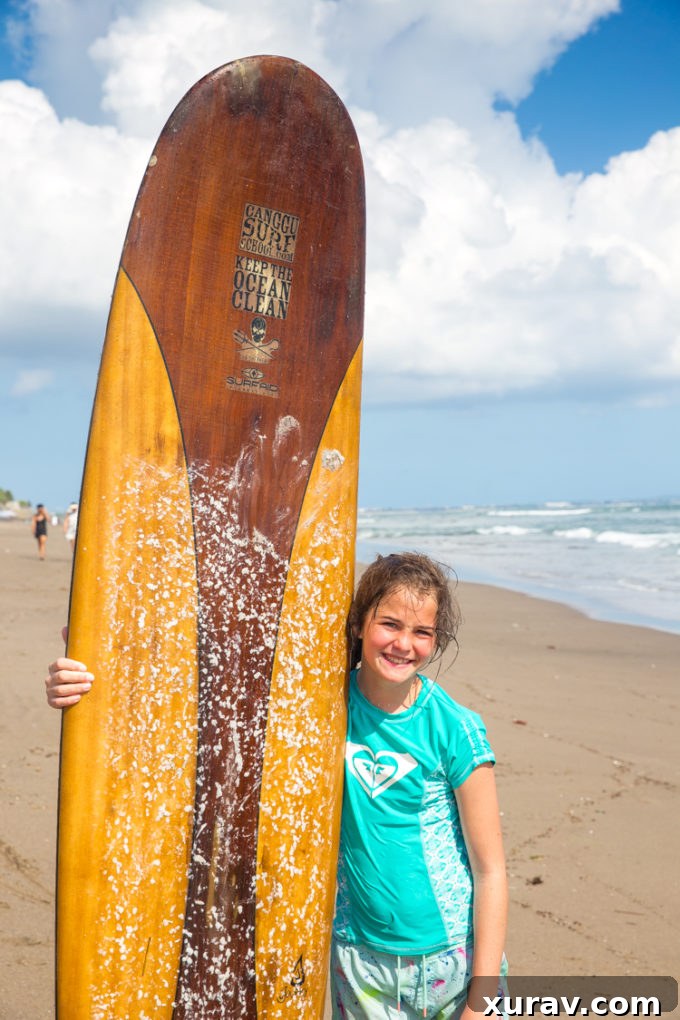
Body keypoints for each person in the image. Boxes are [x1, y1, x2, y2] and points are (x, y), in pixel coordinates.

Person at [45, 552, 508, 1019]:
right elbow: (201, 701)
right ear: (359, 626)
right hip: (358, 959)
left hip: (451, 957)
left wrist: (482, 1000)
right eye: (389, 624)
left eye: (422, 632)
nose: (404, 644)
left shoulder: (454, 728)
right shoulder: (320, 704)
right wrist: (93, 673)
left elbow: (490, 871)